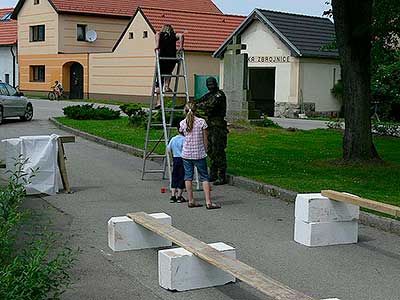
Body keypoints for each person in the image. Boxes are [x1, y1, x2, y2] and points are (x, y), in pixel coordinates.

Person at [180, 102, 221, 209]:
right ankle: (208, 202)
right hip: (199, 153)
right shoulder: (201, 122)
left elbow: (183, 135)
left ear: (185, 111)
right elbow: (205, 139)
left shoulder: (182, 123)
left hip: (186, 153)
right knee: (204, 177)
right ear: (196, 110)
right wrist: (206, 149)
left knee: (188, 177)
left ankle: (191, 200)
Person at [197, 77, 228, 185]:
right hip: (210, 126)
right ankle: (213, 174)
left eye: (212, 84)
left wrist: (197, 106)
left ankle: (222, 176)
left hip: (218, 127)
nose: (210, 86)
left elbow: (209, 105)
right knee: (210, 150)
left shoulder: (219, 95)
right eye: (208, 84)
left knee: (218, 150)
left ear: (216, 84)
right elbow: (200, 101)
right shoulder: (209, 95)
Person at [154, 24, 184, 109]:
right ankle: (166, 86)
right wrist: (181, 47)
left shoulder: (161, 34)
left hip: (162, 59)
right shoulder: (173, 36)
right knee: (168, 72)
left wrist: (157, 46)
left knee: (159, 81)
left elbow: (157, 34)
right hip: (171, 59)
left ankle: (159, 102)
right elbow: (181, 35)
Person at [167, 123, 187, 203]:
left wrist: (172, 158)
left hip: (175, 158)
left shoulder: (173, 139)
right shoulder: (185, 139)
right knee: (182, 177)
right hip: (183, 159)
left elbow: (168, 149)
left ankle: (172, 195)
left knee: (175, 176)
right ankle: (179, 196)